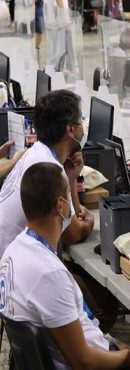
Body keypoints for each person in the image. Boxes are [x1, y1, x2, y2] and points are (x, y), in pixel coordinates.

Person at [0, 162, 130, 370]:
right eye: (68, 194)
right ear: (60, 205)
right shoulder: (48, 273)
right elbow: (84, 362)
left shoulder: (13, 252)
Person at [0, 90, 93, 257]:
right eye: (80, 121)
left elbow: (69, 219)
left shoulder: (36, 152)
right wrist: (90, 223)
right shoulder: (49, 171)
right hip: (9, 262)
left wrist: (71, 178)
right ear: (70, 129)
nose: (83, 126)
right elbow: (73, 234)